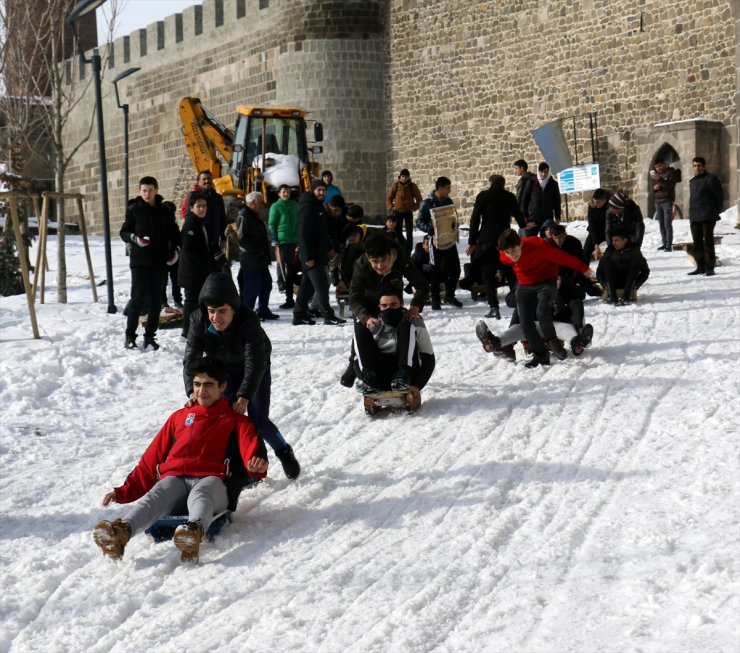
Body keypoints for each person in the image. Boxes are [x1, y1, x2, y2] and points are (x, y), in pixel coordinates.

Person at [93, 356, 268, 562]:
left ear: (223, 386)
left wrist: (254, 466)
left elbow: (251, 451)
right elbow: (151, 459)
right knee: (158, 493)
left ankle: (192, 533)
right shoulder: (179, 417)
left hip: (215, 482)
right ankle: (120, 533)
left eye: (209, 385)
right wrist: (123, 491)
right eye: (197, 384)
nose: (202, 391)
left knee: (202, 492)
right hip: (176, 479)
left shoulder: (235, 420)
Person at [184, 272, 301, 480]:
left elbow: (255, 362)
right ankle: (248, 466)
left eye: (222, 311)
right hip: (224, 371)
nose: (216, 318)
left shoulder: (248, 320)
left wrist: (245, 395)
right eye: (211, 311)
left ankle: (283, 451)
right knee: (227, 420)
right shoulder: (198, 320)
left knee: (257, 419)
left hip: (257, 367)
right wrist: (191, 391)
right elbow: (191, 360)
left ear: (234, 309)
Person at [497, 229, 596, 367]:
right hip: (525, 284)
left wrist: (583, 268)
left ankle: (556, 344)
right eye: (508, 252)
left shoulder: (539, 247)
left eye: (514, 249)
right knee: (525, 322)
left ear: (520, 243)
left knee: (542, 312)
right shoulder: (504, 256)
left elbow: (563, 258)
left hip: (546, 280)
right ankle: (541, 355)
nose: (512, 255)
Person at [119, 176, 181, 351]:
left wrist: (176, 250)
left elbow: (174, 233)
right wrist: (135, 239)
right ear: (140, 191)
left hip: (160, 261)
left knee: (156, 300)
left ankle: (150, 337)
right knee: (137, 298)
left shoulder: (164, 211)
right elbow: (124, 232)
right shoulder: (134, 209)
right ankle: (130, 335)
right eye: (144, 190)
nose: (147, 194)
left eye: (150, 190)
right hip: (140, 261)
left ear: (156, 190)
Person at [353, 287, 435, 410]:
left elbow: (429, 358)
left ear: (401, 305)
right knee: (360, 327)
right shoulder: (373, 324)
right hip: (380, 373)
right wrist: (361, 375)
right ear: (379, 307)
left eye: (393, 305)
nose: (388, 309)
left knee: (405, 327)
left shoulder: (414, 322)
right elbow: (355, 358)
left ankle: (403, 375)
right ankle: (369, 379)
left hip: (407, 374)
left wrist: (418, 385)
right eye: (384, 306)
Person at [466, 174, 524, 319]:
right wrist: (523, 224)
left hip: (487, 239)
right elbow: (518, 214)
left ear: (490, 183)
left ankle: (494, 307)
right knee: (510, 272)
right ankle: (519, 303)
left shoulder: (483, 196)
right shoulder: (509, 196)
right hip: (505, 237)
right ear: (503, 184)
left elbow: (475, 219)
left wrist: (472, 241)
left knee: (487, 274)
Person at [292, 179, 345, 325]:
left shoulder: (317, 206)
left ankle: (298, 314)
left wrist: (328, 249)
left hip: (318, 253)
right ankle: (328, 315)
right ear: (312, 190)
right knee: (321, 285)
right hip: (311, 255)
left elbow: (321, 233)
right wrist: (308, 256)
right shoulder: (308, 206)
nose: (321, 192)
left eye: (323, 190)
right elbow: (303, 233)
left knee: (307, 287)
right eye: (319, 190)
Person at [178, 191, 222, 338]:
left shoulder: (202, 223)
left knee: (201, 301)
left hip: (202, 272)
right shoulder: (191, 224)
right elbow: (190, 251)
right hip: (192, 273)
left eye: (204, 206)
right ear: (191, 208)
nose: (202, 209)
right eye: (199, 206)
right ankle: (187, 330)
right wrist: (207, 265)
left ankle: (201, 328)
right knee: (191, 302)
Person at [416, 176, 462, 309]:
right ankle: (435, 299)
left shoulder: (448, 201)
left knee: (455, 269)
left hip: (449, 240)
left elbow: (452, 217)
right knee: (436, 270)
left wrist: (454, 226)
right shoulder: (427, 203)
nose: (449, 190)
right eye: (448, 188)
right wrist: (429, 228)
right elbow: (419, 222)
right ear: (440, 188)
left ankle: (450, 295)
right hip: (435, 241)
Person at [236, 191, 278, 320]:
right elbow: (242, 238)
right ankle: (247, 315)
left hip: (260, 259)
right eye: (260, 203)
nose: (262, 205)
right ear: (253, 203)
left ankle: (263, 309)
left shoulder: (254, 215)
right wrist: (256, 250)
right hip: (251, 259)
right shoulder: (244, 215)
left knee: (267, 284)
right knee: (251, 289)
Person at [687, 156, 724, 276]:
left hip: (708, 215)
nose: (697, 168)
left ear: (703, 166)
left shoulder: (711, 179)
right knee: (696, 242)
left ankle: (710, 267)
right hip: (695, 216)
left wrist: (714, 212)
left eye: (699, 165)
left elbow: (719, 197)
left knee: (708, 241)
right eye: (695, 165)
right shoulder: (692, 182)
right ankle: (700, 266)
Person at [597, 228, 650, 305]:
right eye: (613, 240)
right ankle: (612, 296)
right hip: (612, 282)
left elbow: (645, 271)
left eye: (617, 240)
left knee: (635, 262)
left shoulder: (634, 250)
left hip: (629, 282)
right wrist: (604, 285)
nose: (614, 243)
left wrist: (636, 285)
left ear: (625, 240)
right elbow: (599, 271)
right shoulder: (609, 251)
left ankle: (626, 297)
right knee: (607, 263)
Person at [268, 184, 300, 309]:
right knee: (282, 266)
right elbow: (272, 224)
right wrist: (274, 237)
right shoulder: (276, 206)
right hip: (282, 241)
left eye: (287, 192)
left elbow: (299, 220)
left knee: (292, 269)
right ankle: (283, 287)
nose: (286, 194)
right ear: (279, 194)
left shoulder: (294, 205)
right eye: (283, 192)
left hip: (294, 240)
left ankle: (292, 295)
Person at [181, 170, 228, 255]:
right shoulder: (193, 195)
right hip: (199, 239)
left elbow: (222, 218)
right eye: (204, 179)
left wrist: (223, 238)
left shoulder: (218, 198)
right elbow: (188, 216)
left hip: (214, 240)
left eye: (209, 178)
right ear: (199, 182)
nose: (207, 181)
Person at [386, 168, 422, 253]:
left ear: (408, 177)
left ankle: (408, 250)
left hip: (408, 211)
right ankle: (400, 246)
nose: (404, 178)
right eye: (403, 176)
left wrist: (414, 207)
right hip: (398, 211)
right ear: (400, 177)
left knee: (409, 232)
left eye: (406, 176)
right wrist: (391, 207)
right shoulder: (396, 185)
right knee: (398, 231)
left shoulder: (412, 186)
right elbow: (389, 197)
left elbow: (419, 199)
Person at [649, 159, 679, 252]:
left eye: (660, 166)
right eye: (657, 167)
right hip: (658, 201)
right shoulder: (657, 176)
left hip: (667, 201)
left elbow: (670, 184)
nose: (658, 168)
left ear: (665, 164)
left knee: (667, 223)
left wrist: (660, 180)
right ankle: (664, 243)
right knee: (661, 223)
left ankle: (669, 244)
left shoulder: (671, 173)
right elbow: (653, 189)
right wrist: (654, 187)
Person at [526, 162, 561, 236]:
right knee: (531, 240)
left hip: (547, 218)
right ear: (538, 171)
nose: (543, 174)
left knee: (546, 241)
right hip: (532, 218)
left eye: (546, 172)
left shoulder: (553, 184)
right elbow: (524, 200)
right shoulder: (531, 181)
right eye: (541, 172)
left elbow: (556, 201)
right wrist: (524, 217)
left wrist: (557, 216)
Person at [583, 188, 609, 262]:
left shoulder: (610, 206)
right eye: (594, 201)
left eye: (598, 202)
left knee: (612, 251)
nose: (595, 204)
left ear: (605, 200)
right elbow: (592, 225)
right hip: (596, 231)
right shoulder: (592, 207)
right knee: (586, 251)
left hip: (609, 231)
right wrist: (596, 244)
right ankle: (583, 271)